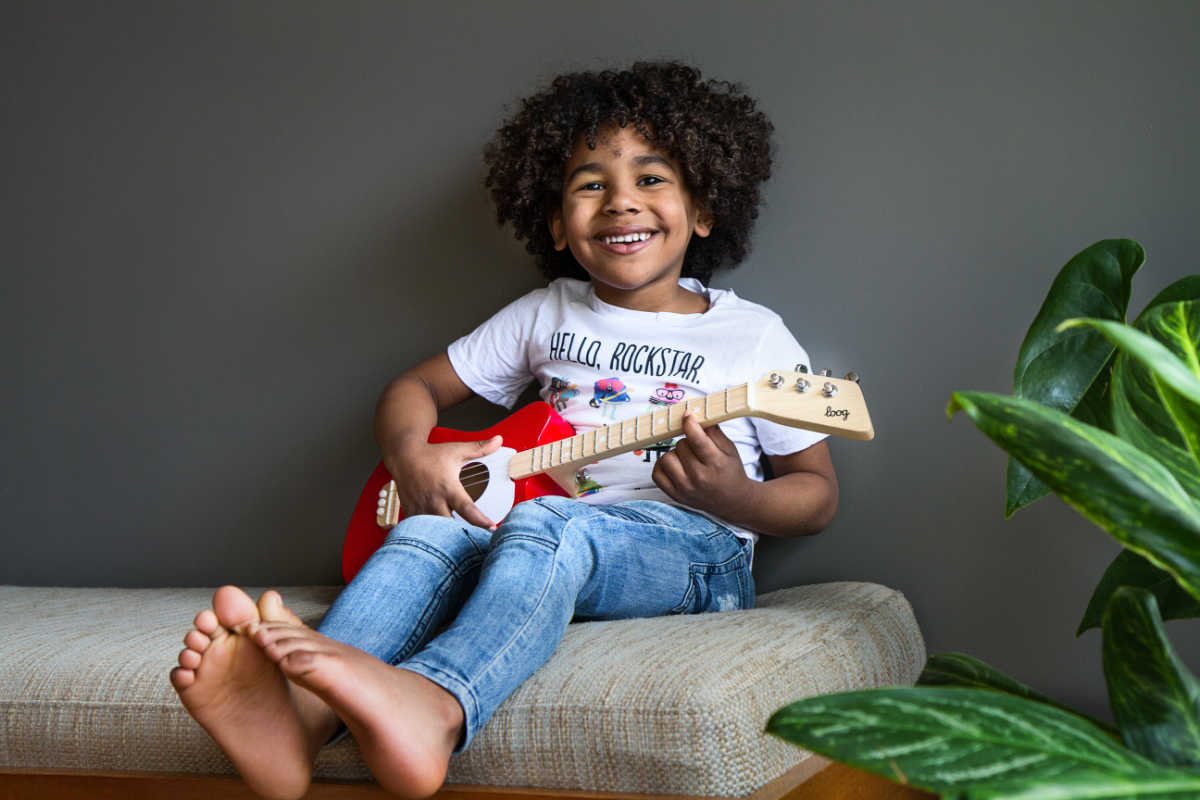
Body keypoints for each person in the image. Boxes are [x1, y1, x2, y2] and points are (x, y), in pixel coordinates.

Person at [169, 61, 839, 800]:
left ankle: (435, 705)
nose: (621, 201)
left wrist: (737, 497)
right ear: (554, 222)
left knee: (551, 523)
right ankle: (295, 717)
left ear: (704, 209)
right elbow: (413, 389)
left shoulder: (752, 338)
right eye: (590, 185)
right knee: (431, 532)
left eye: (652, 179)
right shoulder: (546, 312)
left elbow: (816, 496)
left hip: (698, 553)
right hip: (540, 528)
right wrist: (412, 455)